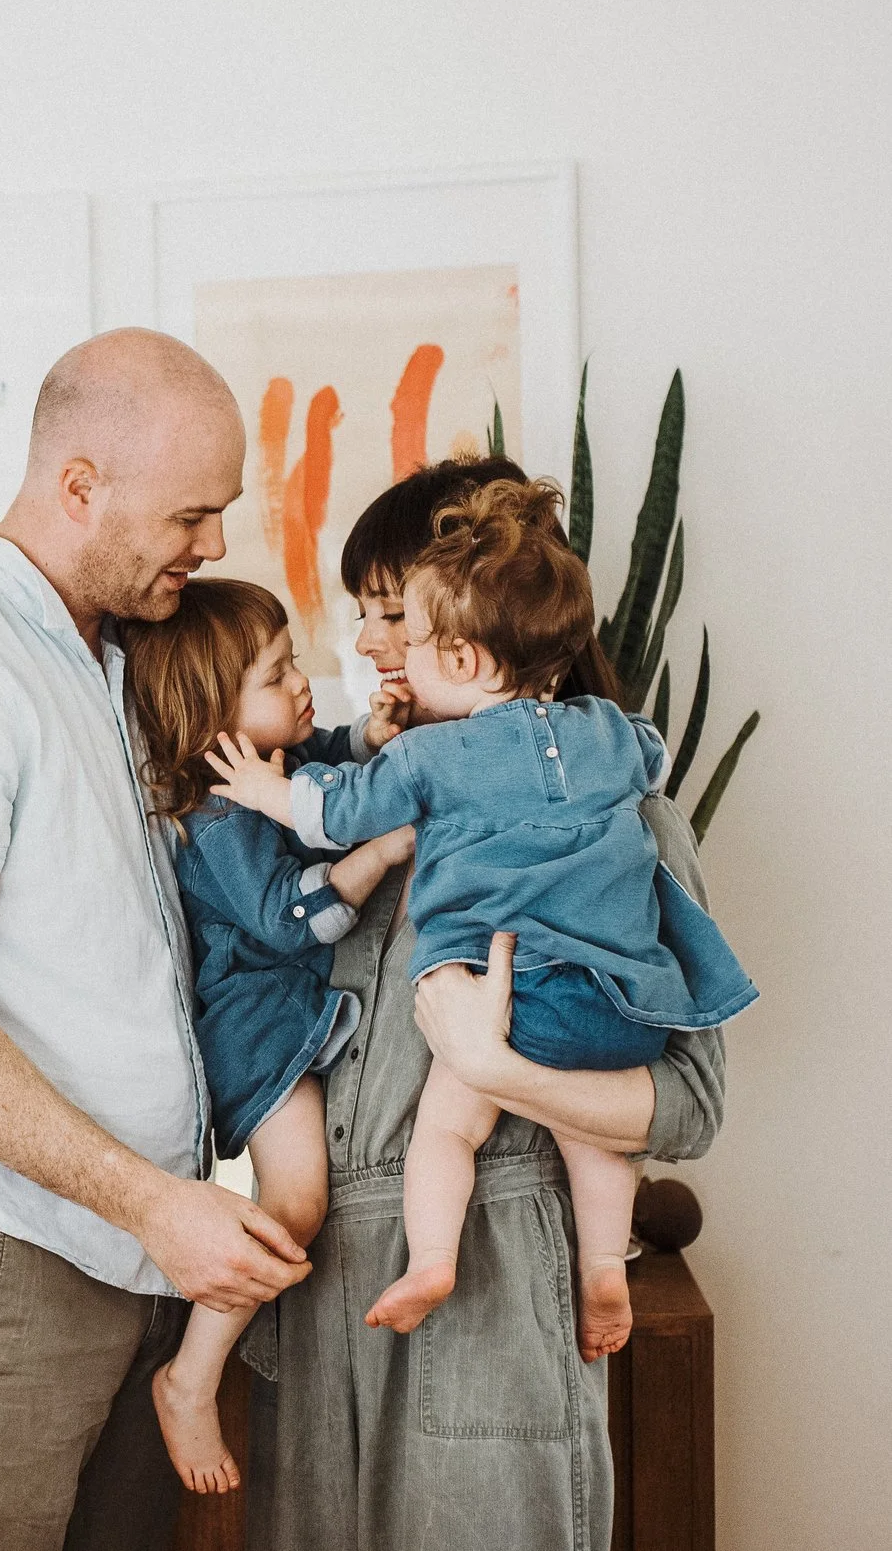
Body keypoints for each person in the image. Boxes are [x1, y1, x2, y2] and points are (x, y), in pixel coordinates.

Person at [0, 328, 311, 1550]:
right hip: (9, 1258)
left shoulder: (107, 661)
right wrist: (156, 1204)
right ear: (80, 485)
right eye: (190, 514)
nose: (212, 545)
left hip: (126, 1253)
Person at [239, 457, 731, 1551]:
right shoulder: (338, 823)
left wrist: (504, 1073)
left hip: (495, 1299)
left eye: (385, 615)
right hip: (322, 1304)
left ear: (467, 633)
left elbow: (690, 1105)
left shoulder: (622, 821)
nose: (365, 645)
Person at [118, 579, 418, 1492]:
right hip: (257, 1034)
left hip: (293, 1022)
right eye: (276, 674)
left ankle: (208, 1359)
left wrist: (373, 739)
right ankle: (192, 1374)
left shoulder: (266, 767)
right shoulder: (217, 817)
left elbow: (325, 756)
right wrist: (378, 850)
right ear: (215, 722)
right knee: (295, 1207)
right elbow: (293, 920)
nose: (301, 684)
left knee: (308, 1212)